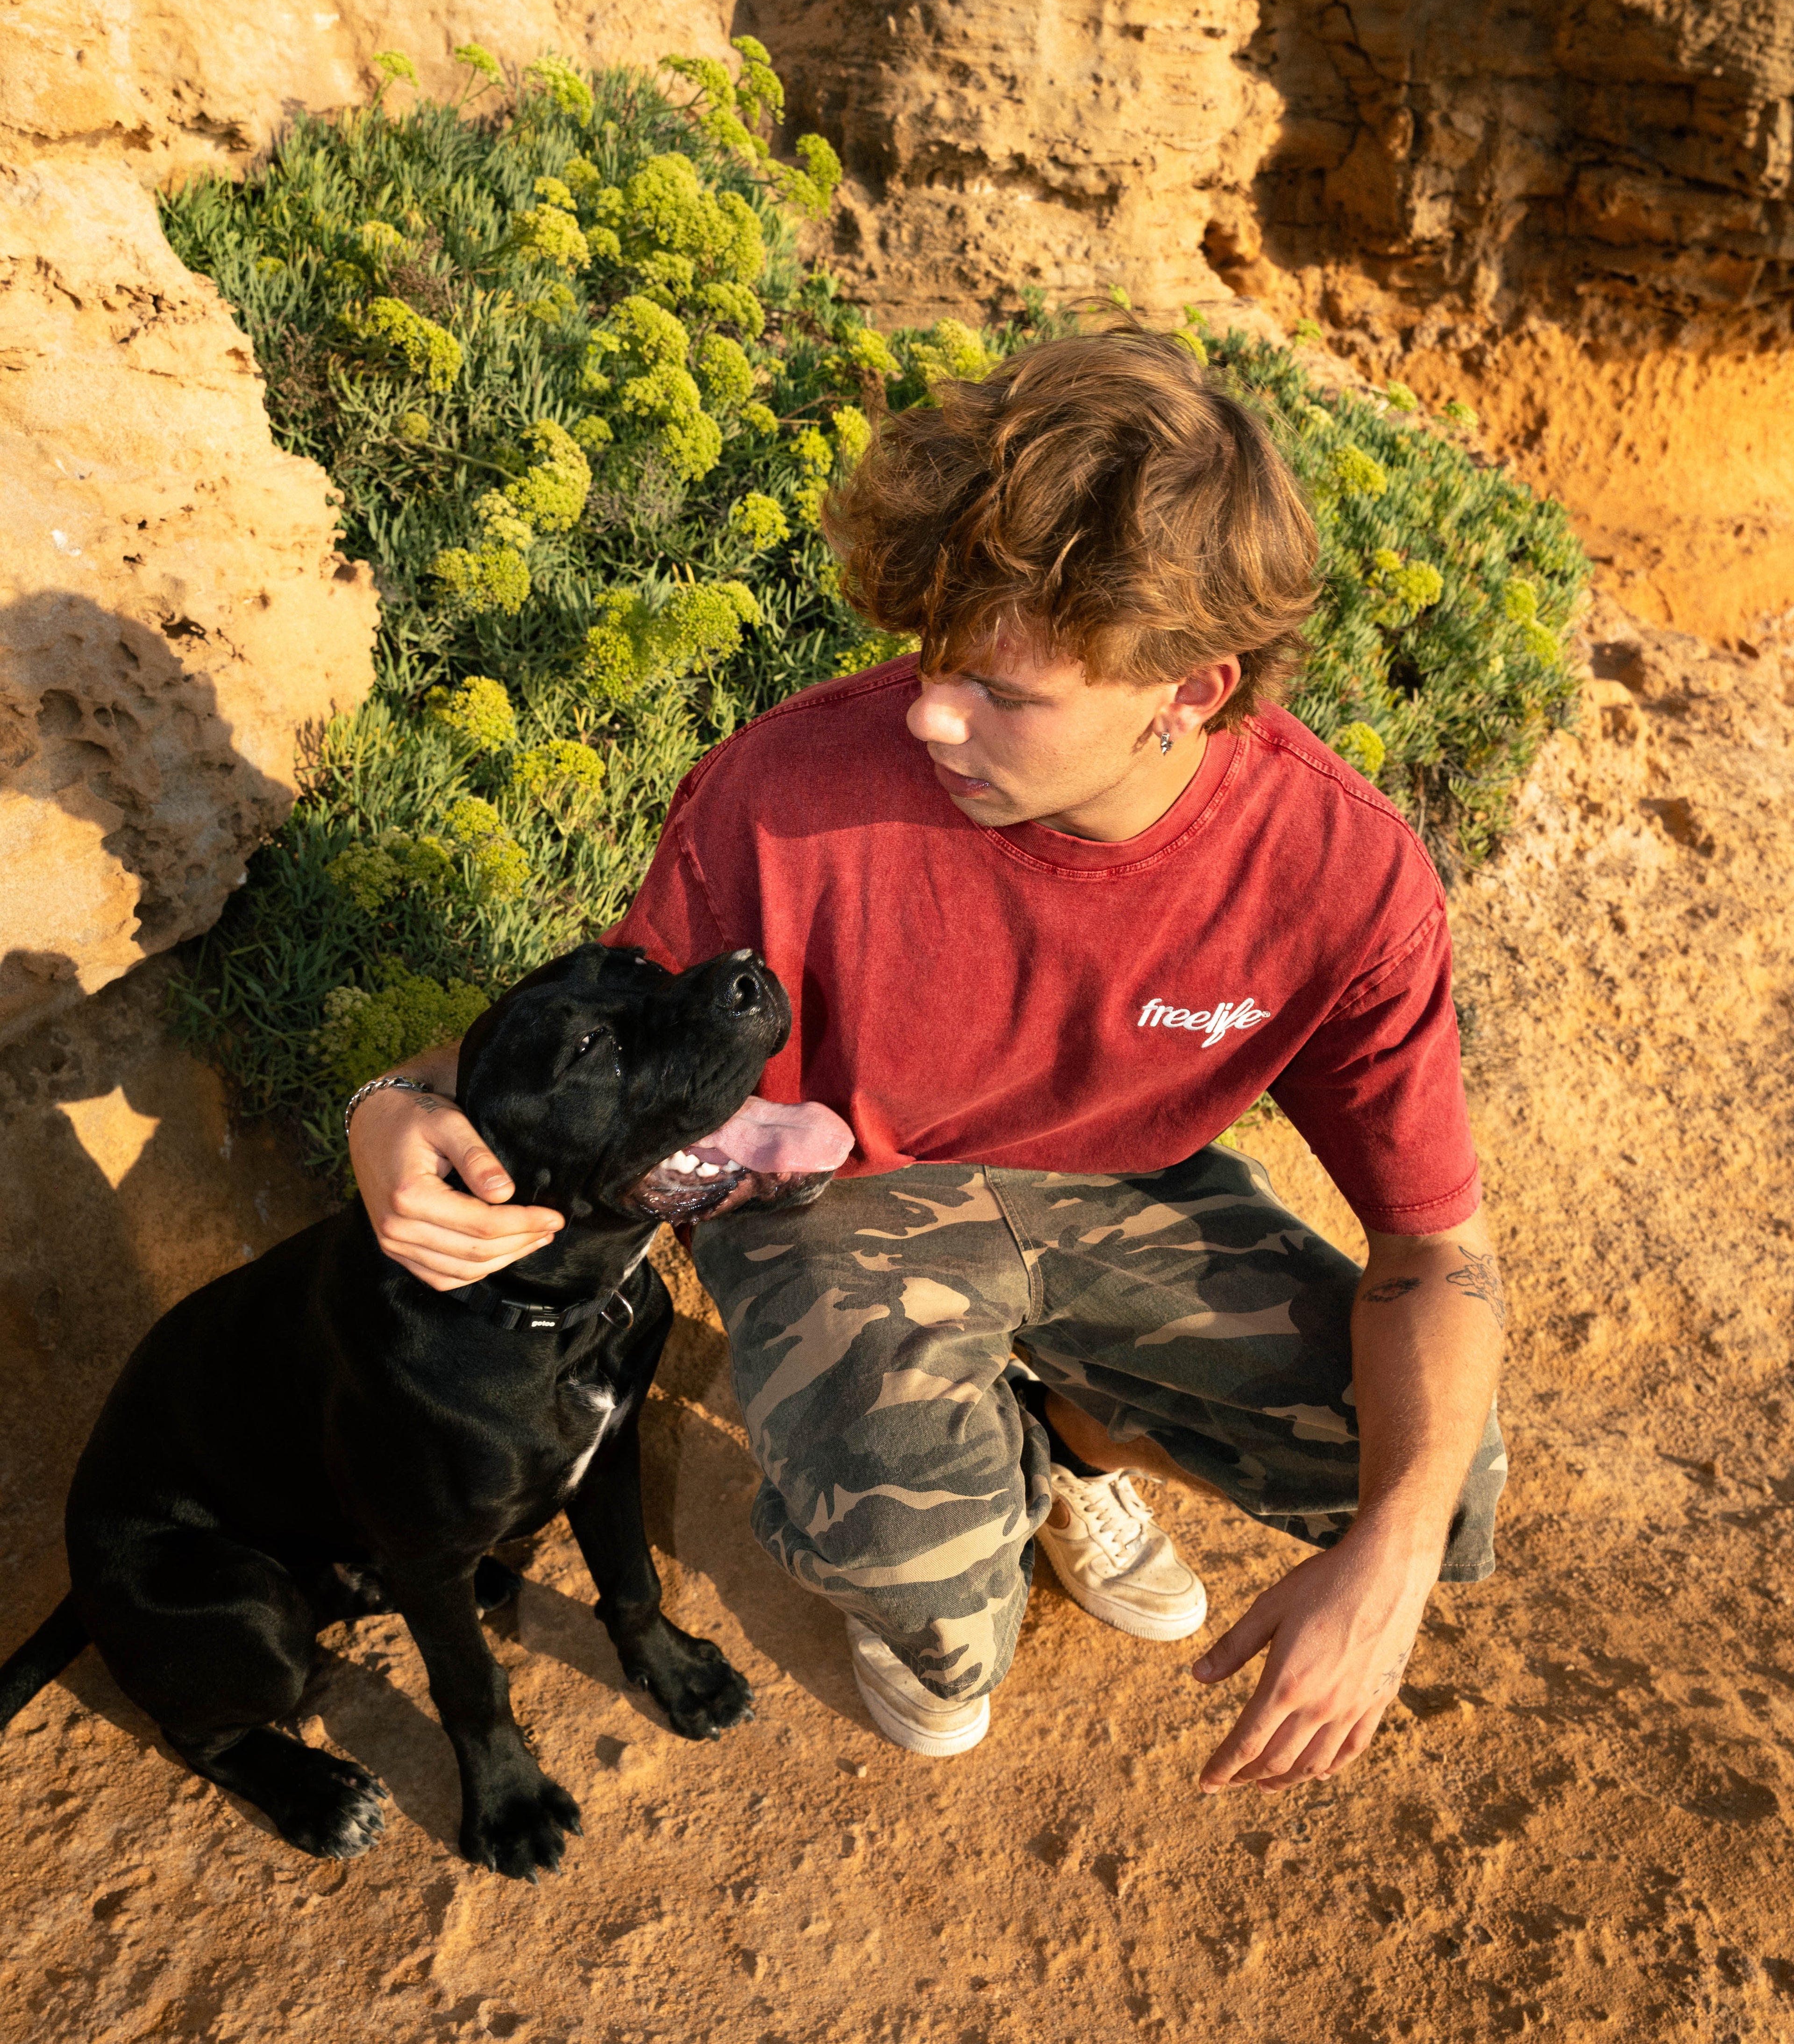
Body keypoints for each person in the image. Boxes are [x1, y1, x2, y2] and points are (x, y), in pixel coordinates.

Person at [349, 330, 1506, 1788]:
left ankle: (1074, 1448)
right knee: (948, 1628)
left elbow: (1433, 1249)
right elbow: (609, 1029)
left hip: (1113, 1190)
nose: (928, 715)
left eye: (1005, 696)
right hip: (827, 1191)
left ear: (1190, 690)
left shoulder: (1343, 876)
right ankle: (967, 1503)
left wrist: (1390, 1564)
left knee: (1441, 1485)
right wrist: (400, 1099)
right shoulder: (789, 790)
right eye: (934, 659)